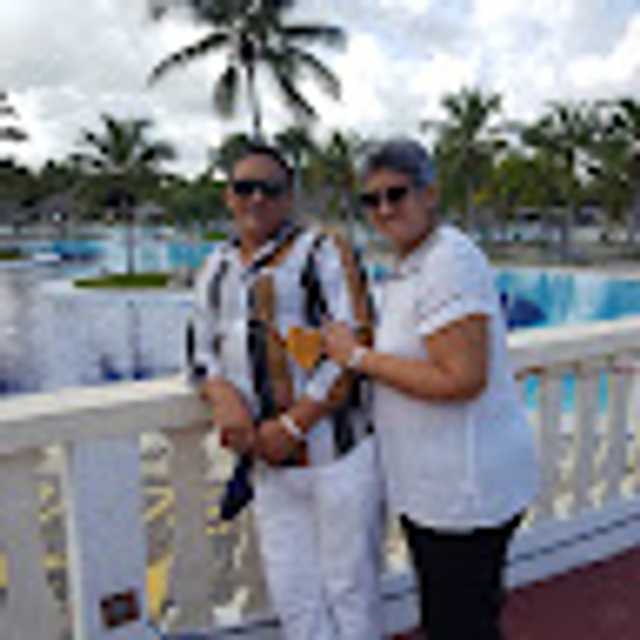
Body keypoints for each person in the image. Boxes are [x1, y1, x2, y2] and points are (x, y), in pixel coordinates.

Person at [324, 138, 539, 640]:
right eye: (371, 200)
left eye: (395, 194)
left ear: (430, 194)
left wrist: (357, 358)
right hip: (438, 488)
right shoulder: (413, 264)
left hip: (463, 491)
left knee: (459, 625)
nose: (383, 209)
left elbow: (462, 378)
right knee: (461, 618)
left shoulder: (449, 262)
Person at [192, 143, 384, 640]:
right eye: (244, 188)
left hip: (335, 456)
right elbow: (200, 350)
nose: (256, 199)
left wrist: (294, 425)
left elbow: (356, 342)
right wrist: (221, 395)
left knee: (351, 590)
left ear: (289, 196)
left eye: (270, 189)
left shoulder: (323, 250)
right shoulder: (214, 266)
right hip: (268, 464)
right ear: (228, 196)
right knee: (294, 594)